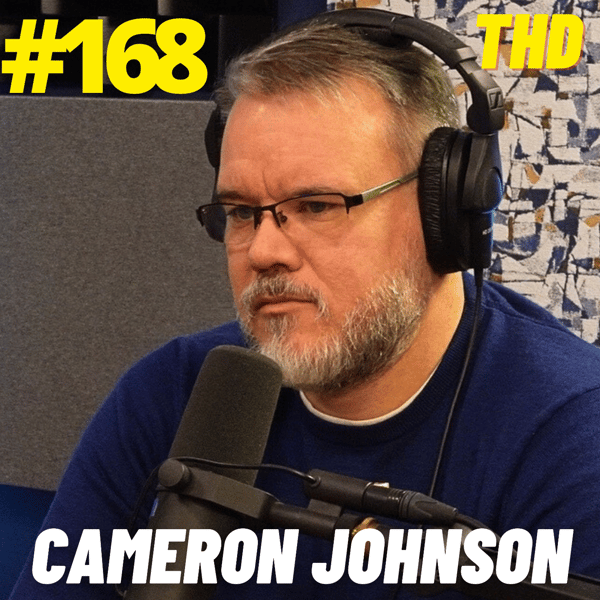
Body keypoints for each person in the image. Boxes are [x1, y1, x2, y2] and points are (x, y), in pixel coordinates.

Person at [10, 11, 600, 600]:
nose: (264, 251)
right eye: (242, 212)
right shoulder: (172, 396)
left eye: (317, 206)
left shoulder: (572, 436)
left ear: (440, 210)